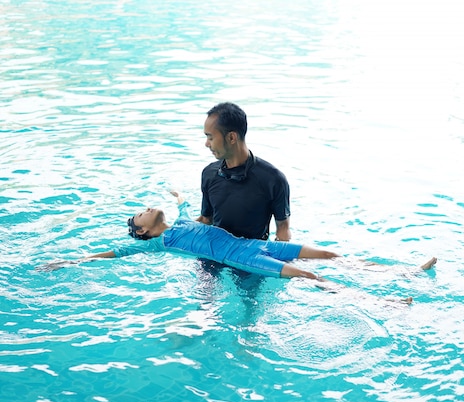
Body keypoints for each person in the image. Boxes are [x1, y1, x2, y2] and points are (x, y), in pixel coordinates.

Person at [41, 191, 438, 286]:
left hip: (254, 244)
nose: (147, 207)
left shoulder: (177, 223)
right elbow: (113, 254)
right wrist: (71, 261)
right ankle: (386, 303)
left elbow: (180, 205)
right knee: (309, 277)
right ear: (142, 230)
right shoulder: (157, 242)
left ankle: (404, 270)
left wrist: (178, 196)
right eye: (140, 213)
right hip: (242, 258)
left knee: (327, 254)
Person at [197, 102, 291, 242]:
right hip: (214, 252)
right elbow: (206, 219)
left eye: (210, 137)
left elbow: (283, 231)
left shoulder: (273, 179)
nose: (206, 144)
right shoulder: (209, 174)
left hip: (251, 257)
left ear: (231, 138)